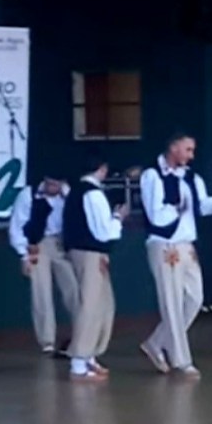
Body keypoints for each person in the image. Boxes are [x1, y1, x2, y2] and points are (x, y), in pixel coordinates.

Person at [139, 134, 212, 378]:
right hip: (165, 245)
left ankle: (156, 342)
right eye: (187, 149)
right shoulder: (152, 175)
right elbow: (156, 215)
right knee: (171, 302)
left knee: (194, 298)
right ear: (173, 147)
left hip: (186, 244)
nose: (191, 155)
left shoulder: (191, 177)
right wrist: (177, 208)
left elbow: (201, 205)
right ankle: (181, 360)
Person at [62, 154, 128, 382]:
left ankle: (89, 356)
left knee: (103, 304)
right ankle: (79, 362)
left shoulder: (78, 191)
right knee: (90, 305)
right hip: (90, 253)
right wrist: (118, 218)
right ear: (102, 169)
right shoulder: (92, 193)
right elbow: (104, 231)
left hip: (90, 253)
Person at [8, 175, 79, 355]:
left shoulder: (67, 193)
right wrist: (24, 255)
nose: (53, 187)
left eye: (56, 184)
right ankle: (47, 341)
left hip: (60, 242)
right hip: (37, 244)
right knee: (41, 291)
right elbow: (17, 226)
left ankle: (81, 332)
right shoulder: (28, 195)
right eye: (50, 183)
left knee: (73, 288)